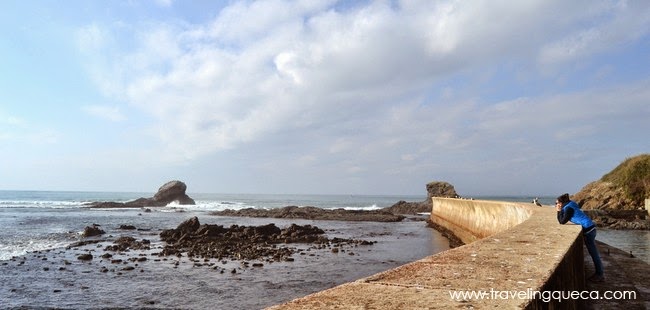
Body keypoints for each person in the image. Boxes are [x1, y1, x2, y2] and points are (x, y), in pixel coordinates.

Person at [556, 193, 604, 282]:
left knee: (594, 254)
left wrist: (558, 210)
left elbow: (562, 221)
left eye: (557, 203)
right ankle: (599, 273)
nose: (556, 205)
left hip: (588, 230)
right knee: (593, 253)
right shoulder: (571, 204)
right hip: (590, 228)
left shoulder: (568, 208)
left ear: (561, 203)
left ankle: (599, 274)